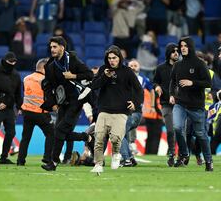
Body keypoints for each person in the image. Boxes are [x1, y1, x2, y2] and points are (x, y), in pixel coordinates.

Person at [40, 36, 94, 171]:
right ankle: (87, 137)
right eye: (51, 47)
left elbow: (89, 74)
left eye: (55, 47)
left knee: (59, 130)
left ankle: (53, 162)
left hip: (76, 102)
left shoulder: (73, 60)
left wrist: (74, 76)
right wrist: (52, 103)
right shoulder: (51, 66)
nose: (52, 49)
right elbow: (47, 86)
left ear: (62, 48)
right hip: (62, 103)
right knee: (60, 133)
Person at [90, 45, 143, 174]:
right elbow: (94, 86)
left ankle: (116, 154)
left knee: (115, 138)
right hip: (104, 109)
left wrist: (135, 102)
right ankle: (98, 164)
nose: (111, 60)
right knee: (99, 138)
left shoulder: (127, 71)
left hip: (121, 111)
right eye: (109, 58)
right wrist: (105, 77)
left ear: (119, 58)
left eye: (114, 58)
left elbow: (138, 89)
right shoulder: (103, 69)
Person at [169, 36, 213, 171]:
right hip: (180, 103)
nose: (183, 48)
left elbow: (208, 83)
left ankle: (208, 161)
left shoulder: (200, 64)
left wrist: (192, 83)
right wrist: (171, 94)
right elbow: (172, 81)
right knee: (177, 127)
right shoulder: (177, 65)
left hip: (196, 106)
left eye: (185, 45)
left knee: (201, 134)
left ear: (191, 47)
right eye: (181, 46)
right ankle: (184, 154)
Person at [17, 58, 54, 166]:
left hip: (27, 112)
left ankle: (20, 161)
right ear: (44, 68)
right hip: (41, 112)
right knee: (51, 134)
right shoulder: (45, 80)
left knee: (25, 138)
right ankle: (47, 158)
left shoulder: (26, 78)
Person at [153, 43, 179, 166]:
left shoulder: (182, 67)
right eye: (174, 51)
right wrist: (157, 87)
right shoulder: (160, 68)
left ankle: (183, 154)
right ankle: (172, 154)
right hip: (166, 103)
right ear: (169, 53)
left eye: (177, 51)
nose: (176, 53)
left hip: (181, 104)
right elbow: (155, 82)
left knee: (181, 131)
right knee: (170, 130)